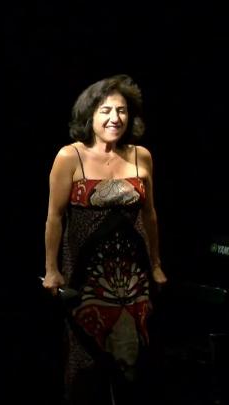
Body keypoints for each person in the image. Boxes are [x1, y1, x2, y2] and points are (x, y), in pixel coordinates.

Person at [42, 74, 168, 405]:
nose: (115, 118)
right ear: (90, 115)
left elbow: (150, 215)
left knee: (132, 359)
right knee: (87, 362)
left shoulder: (142, 156)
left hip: (133, 277)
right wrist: (51, 269)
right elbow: (54, 217)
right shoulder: (70, 156)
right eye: (106, 110)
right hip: (86, 276)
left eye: (122, 110)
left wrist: (156, 265)